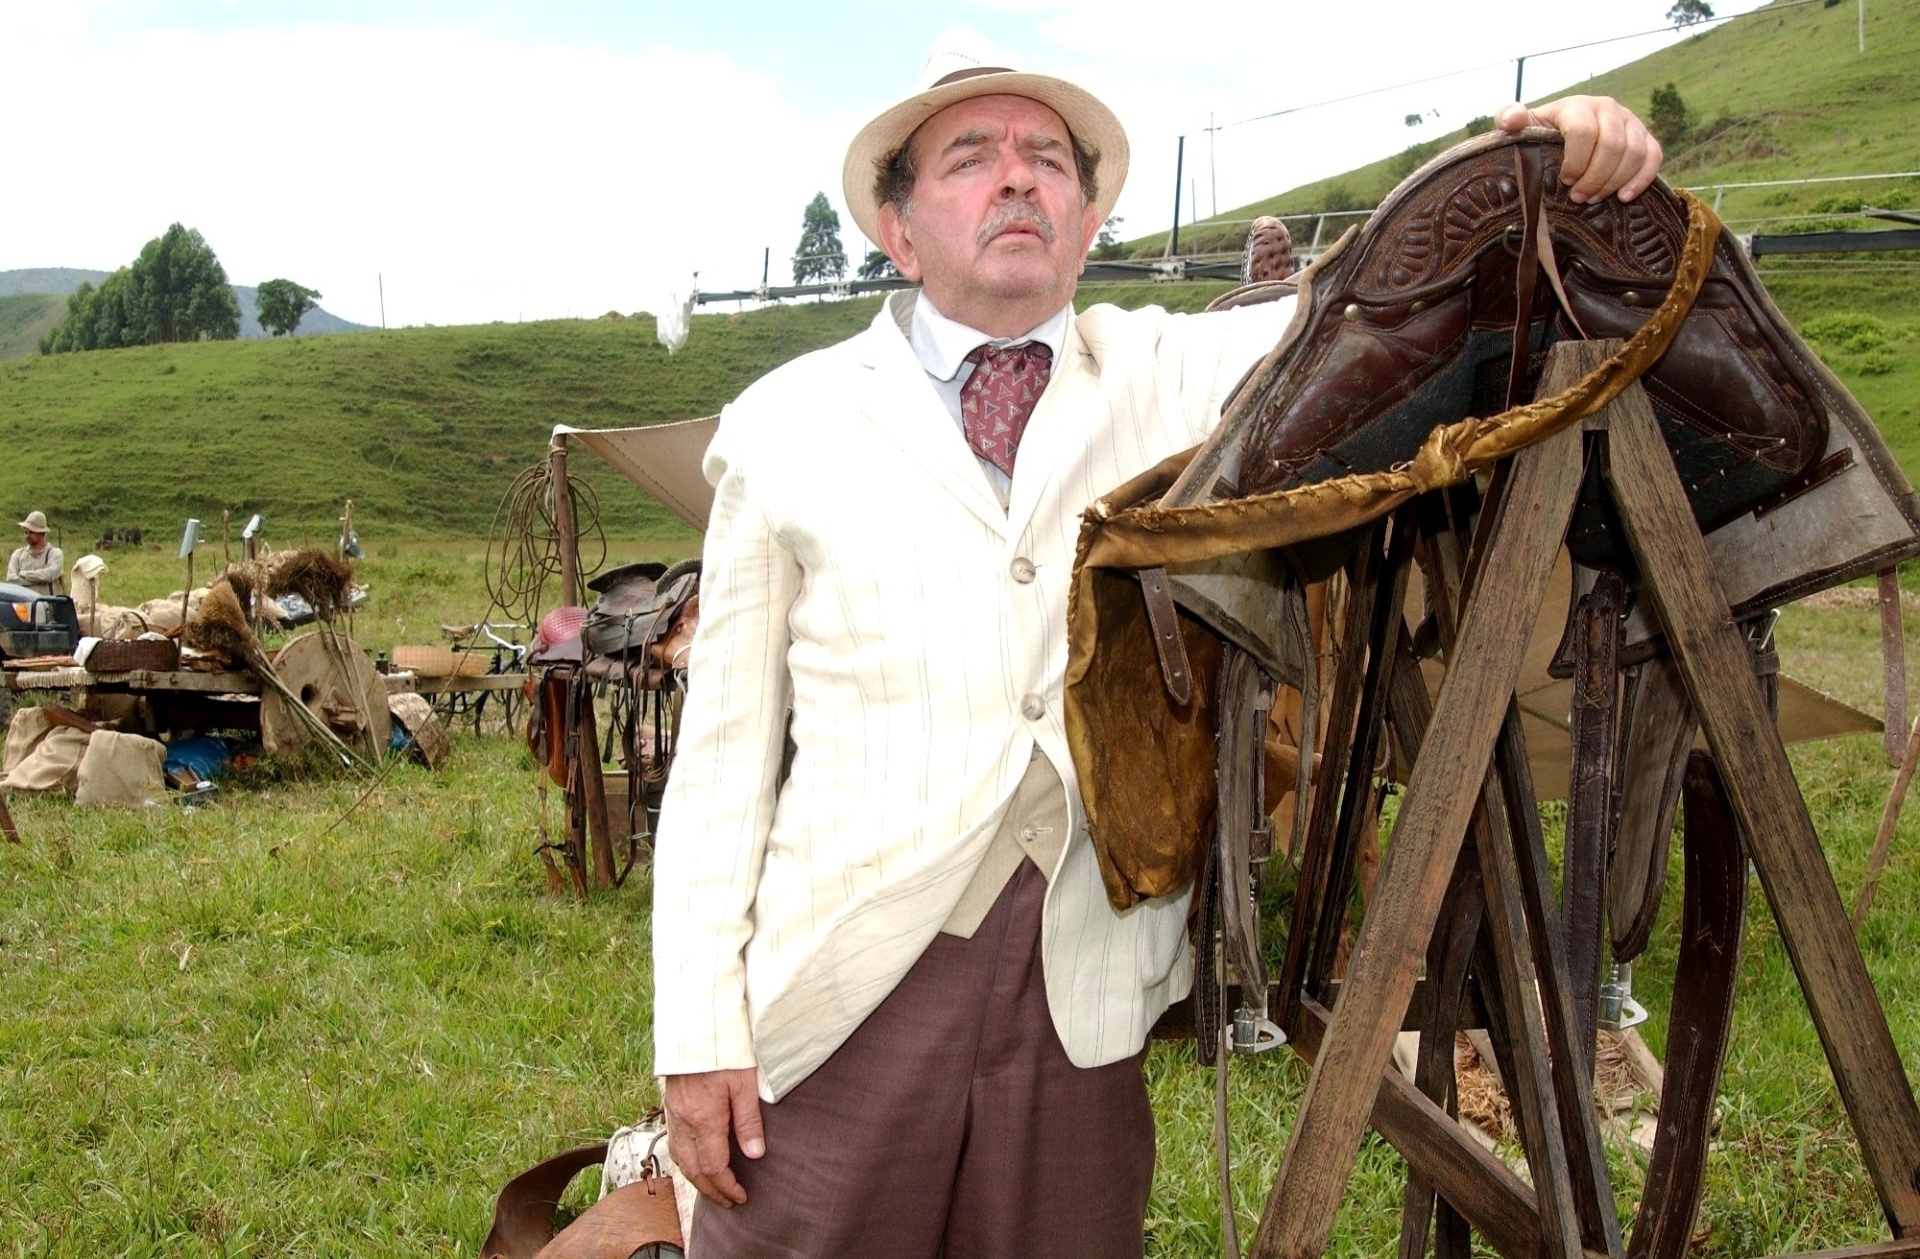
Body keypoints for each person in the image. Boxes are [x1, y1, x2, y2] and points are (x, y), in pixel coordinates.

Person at [653, 35, 1663, 1258]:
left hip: (1083, 992)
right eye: (969, 156)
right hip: (844, 993)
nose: (1016, 179)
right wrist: (697, 1029)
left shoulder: (1170, 371)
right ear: (899, 228)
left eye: (1045, 160)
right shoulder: (783, 426)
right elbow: (718, 765)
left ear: (1084, 223)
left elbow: (1376, 298)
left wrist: (1533, 160)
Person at [7, 511, 65, 595]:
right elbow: (11, 580)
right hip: (24, 605)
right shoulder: (18, 554)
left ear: (42, 533)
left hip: (49, 605)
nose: (27, 536)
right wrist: (40, 577)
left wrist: (22, 574)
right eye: (26, 532)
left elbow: (49, 575)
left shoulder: (54, 553)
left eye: (32, 532)